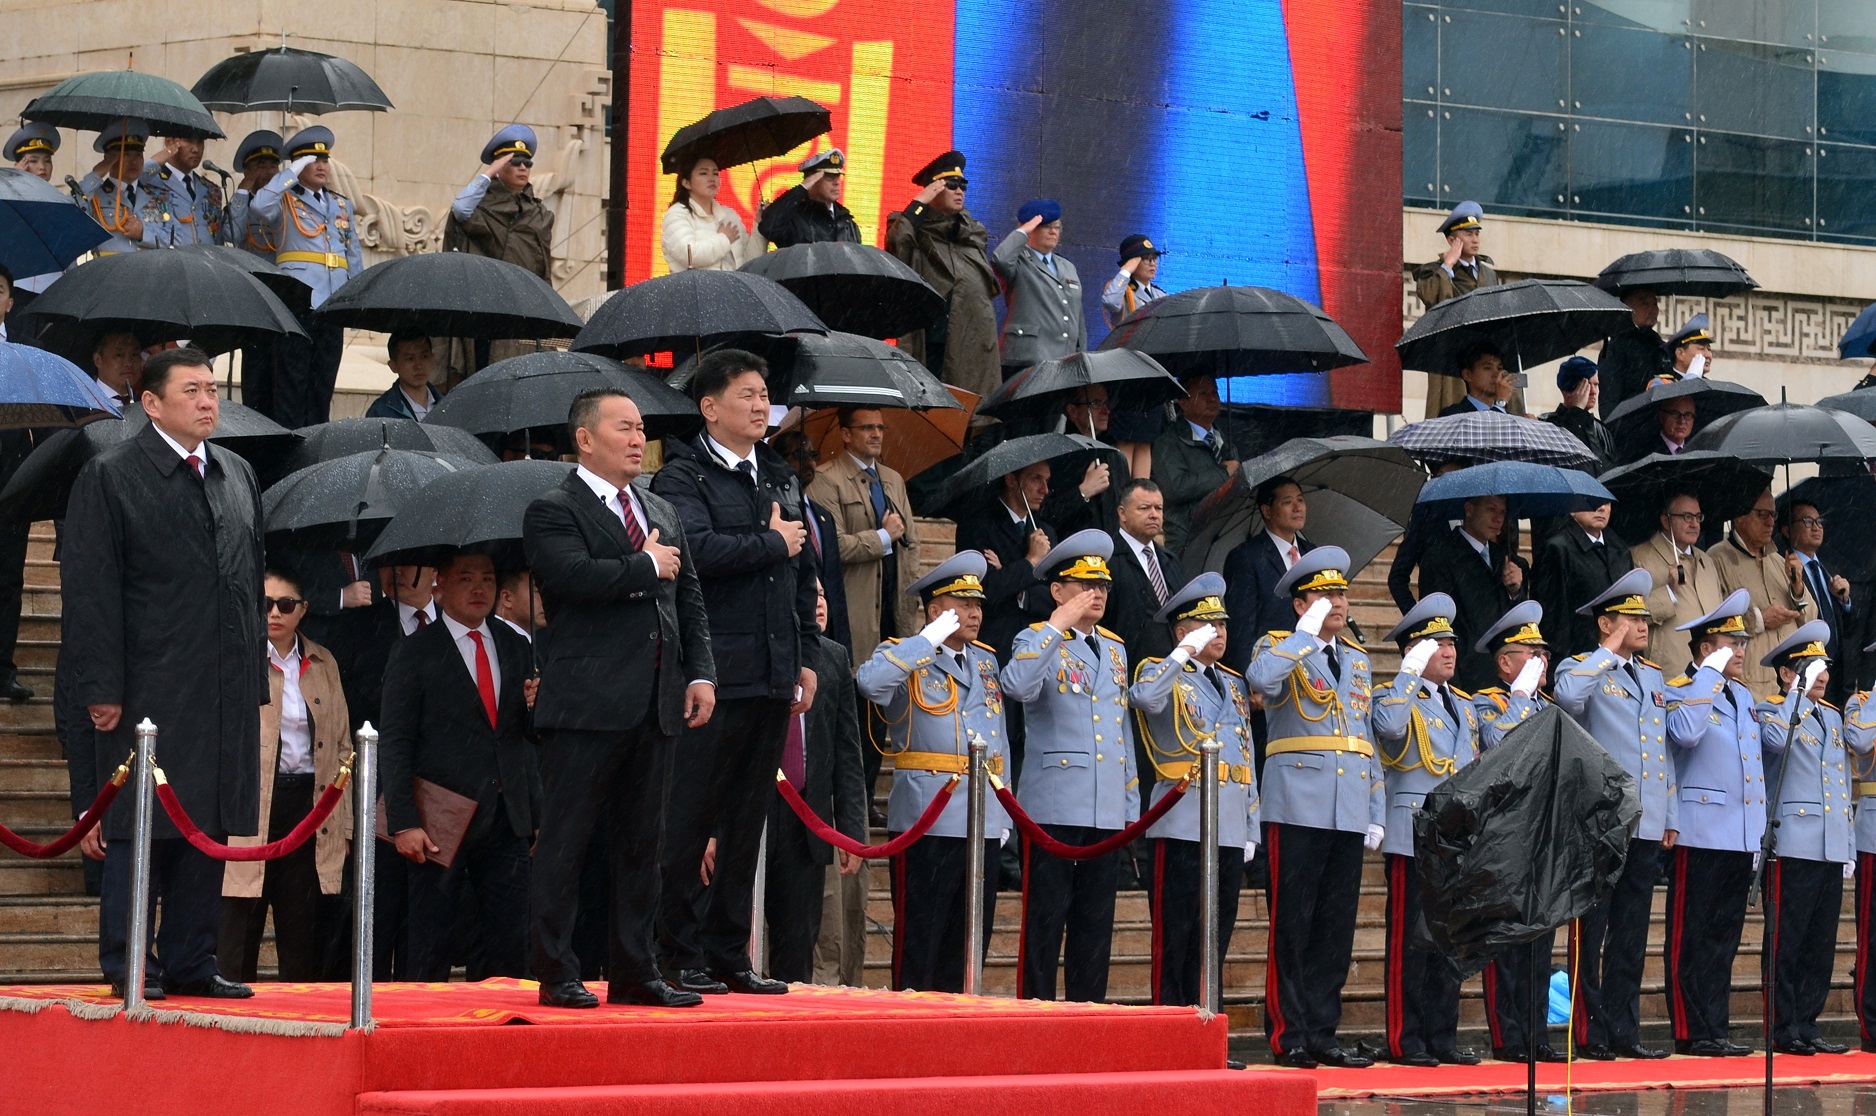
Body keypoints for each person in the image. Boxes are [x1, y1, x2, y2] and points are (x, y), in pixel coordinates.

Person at [62, 348, 266, 1001]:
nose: (208, 401)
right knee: (140, 825)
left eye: (212, 389)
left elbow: (246, 582)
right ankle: (129, 959)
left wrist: (250, 683)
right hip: (147, 686)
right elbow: (91, 591)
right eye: (192, 391)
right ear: (151, 403)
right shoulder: (112, 476)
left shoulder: (237, 473)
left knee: (206, 825)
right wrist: (100, 689)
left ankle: (191, 956)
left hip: (223, 686)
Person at [524, 388, 715, 1007]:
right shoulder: (554, 508)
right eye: (624, 428)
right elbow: (571, 579)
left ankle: (637, 969)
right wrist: (642, 566)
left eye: (641, 428)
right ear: (585, 438)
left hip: (656, 703)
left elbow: (688, 599)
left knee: (643, 844)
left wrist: (700, 673)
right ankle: (556, 968)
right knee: (567, 842)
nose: (638, 439)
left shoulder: (659, 506)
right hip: (585, 705)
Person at [653, 350, 818, 997]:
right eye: (747, 394)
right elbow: (693, 552)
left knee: (747, 821)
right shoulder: (682, 476)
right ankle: (677, 951)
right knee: (690, 819)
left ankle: (729, 952)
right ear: (709, 406)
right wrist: (770, 543)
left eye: (765, 394)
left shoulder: (778, 473)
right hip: (714, 674)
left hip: (774, 673)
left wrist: (804, 654)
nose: (760, 405)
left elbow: (803, 571)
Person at [378, 551, 538, 983]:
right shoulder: (414, 651)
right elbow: (395, 742)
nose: (478, 588)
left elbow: (526, 738)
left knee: (509, 942)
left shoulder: (515, 644)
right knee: (429, 942)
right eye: (466, 578)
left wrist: (539, 709)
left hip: (506, 814)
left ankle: (502, 1035)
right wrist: (402, 821)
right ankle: (421, 1038)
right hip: (438, 818)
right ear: (439, 584)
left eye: (487, 578)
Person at [1248, 546, 1380, 1069]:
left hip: (1347, 805)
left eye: (1342, 593)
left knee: (1334, 928)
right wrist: (1304, 636)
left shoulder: (1357, 659)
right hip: (1297, 803)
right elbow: (1260, 682)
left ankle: (1324, 1030)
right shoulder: (1279, 645)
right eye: (1325, 595)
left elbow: (1365, 735)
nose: (1338, 602)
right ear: (1301, 603)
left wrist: (1376, 805)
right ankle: (1289, 1032)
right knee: (1293, 924)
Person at [855, 551, 1010, 992]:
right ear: (936, 611)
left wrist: (1003, 811)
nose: (975, 613)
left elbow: (996, 739)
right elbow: (870, 682)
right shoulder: (905, 655)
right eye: (962, 605)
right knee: (921, 939)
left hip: (982, 817)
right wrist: (927, 640)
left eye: (977, 604)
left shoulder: (986, 662)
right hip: (928, 817)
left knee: (968, 943)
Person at [999, 529, 1138, 1003]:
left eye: (1102, 586)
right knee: (1045, 920)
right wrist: (1057, 625)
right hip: (1054, 802)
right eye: (1084, 586)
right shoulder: (1037, 637)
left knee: (1094, 924)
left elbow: (1121, 731)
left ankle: (1088, 1014)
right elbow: (1016, 686)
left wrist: (1131, 803)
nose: (1095, 594)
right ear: (1058, 591)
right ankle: (1034, 1015)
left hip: (1104, 805)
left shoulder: (1116, 649)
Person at [1551, 568, 1673, 1060]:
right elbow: (1568, 699)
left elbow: (1661, 750)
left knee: (1632, 931)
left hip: (1644, 820)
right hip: (1600, 821)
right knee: (1590, 930)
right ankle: (1589, 1030)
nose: (1643, 625)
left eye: (1645, 617)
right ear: (1606, 623)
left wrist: (1670, 810)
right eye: (1631, 617)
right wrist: (1607, 651)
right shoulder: (1582, 666)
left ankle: (1625, 1028)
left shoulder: (1652, 676)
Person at [218, 568, 353, 983]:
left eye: (286, 604)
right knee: (240, 924)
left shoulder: (323, 660)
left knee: (302, 933)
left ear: (303, 609)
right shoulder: (236, 656)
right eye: (265, 604)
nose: (274, 613)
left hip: (310, 806)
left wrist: (344, 822)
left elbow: (344, 745)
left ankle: (301, 1027)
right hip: (253, 802)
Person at [1131, 573, 1256, 1008]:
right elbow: (1145, 699)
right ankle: (1171, 1024)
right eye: (1208, 625)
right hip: (1181, 819)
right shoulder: (1160, 670)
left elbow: (1246, 755)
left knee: (1215, 934)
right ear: (1184, 630)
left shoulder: (1235, 683)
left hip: (1228, 821)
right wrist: (1181, 652)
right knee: (1176, 932)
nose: (1220, 633)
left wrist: (1251, 825)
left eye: (1222, 624)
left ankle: (1206, 1024)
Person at [1372, 593, 1480, 1067]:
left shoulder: (1463, 703)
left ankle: (1442, 1036)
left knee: (1449, 942)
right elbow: (1391, 732)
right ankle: (1406, 1036)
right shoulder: (1392, 696)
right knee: (1410, 943)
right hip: (1412, 832)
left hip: (1454, 837)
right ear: (1415, 651)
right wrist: (1407, 674)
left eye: (1451, 641)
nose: (1450, 650)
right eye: (1437, 643)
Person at [1661, 589, 1762, 1057]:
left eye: (1742, 642)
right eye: (1730, 642)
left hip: (1739, 836)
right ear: (1705, 648)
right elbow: (1686, 733)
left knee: (1723, 939)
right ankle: (1690, 1028)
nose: (1741, 651)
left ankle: (1715, 1028)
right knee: (1691, 936)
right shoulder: (1683, 690)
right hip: (1699, 832)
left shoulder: (1742, 695)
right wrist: (1705, 677)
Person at [1469, 601, 1569, 1063]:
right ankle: (1508, 1035)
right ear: (1505, 662)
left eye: (1543, 654)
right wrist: (1522, 699)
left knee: (1539, 941)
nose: (1540, 662)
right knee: (1506, 941)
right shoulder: (1486, 702)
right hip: (1506, 835)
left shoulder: (1552, 707)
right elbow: (1496, 747)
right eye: (1530, 654)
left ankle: (1536, 1034)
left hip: (1545, 834)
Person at [1755, 621, 1853, 1056]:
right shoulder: (1772, 710)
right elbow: (1775, 744)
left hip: (1830, 844)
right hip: (1793, 843)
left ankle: (1808, 1023)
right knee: (1787, 940)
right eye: (1812, 666)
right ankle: (1782, 1025)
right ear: (1787, 674)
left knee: (1820, 942)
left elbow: (1841, 782)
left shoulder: (1832, 717)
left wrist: (1846, 843)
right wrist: (1795, 696)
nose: (1824, 675)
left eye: (1824, 666)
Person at [764, 581, 865, 984]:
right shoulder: (752, 651)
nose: (820, 603)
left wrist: (852, 833)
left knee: (797, 948)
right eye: (810, 595)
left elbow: (847, 756)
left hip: (807, 820)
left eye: (824, 595)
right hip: (751, 816)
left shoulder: (834, 658)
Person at [249, 126, 364, 428]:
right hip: (298, 300)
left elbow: (353, 255)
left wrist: (355, 299)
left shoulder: (341, 204)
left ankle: (315, 443)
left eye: (325, 159)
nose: (322, 165)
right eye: (313, 159)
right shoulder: (283, 199)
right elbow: (259, 206)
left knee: (323, 383)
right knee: (292, 383)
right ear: (299, 165)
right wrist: (290, 173)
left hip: (332, 304)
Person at [885, 151, 1001, 402]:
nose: (960, 191)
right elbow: (897, 242)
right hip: (937, 337)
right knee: (936, 404)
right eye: (951, 185)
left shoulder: (972, 233)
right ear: (934, 190)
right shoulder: (913, 228)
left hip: (974, 338)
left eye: (963, 185)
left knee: (973, 408)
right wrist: (921, 201)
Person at [807, 407, 917, 666]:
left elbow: (911, 543)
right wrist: (882, 537)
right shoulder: (825, 479)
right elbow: (833, 545)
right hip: (856, 605)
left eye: (880, 428)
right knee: (859, 684)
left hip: (894, 602)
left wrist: (909, 590)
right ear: (845, 434)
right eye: (867, 428)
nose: (876, 434)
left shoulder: (893, 479)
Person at [1417, 495, 1530, 693]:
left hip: (1507, 674)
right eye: (1491, 509)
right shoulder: (1440, 557)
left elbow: (1519, 621)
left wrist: (1516, 591)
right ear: (1469, 509)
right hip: (1466, 674)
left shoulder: (1506, 559)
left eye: (1502, 512)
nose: (1498, 519)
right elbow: (1437, 625)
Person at [1712, 490, 1811, 693]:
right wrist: (1760, 620)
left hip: (1791, 682)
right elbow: (1714, 622)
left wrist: (1797, 588)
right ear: (1740, 517)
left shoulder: (1780, 561)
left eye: (1772, 515)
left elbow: (1812, 618)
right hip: (1751, 684)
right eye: (1761, 514)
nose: (1770, 522)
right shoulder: (1715, 559)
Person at [955, 461, 1057, 659]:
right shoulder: (978, 525)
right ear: (1011, 479)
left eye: (1047, 481)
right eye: (1036, 478)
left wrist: (1013, 581)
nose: (1044, 489)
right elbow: (985, 589)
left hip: (1038, 646)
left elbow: (1056, 597)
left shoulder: (1047, 533)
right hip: (994, 646)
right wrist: (1030, 561)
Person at [1414, 202, 1506, 418]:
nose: (1475, 240)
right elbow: (1432, 298)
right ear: (1451, 239)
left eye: (1477, 234)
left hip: (1486, 352)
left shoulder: (1489, 274)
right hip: (1452, 356)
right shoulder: (1433, 271)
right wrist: (1447, 266)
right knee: (1452, 414)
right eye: (1468, 234)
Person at [1222, 476, 1313, 675]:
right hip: (1269, 668)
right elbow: (1241, 627)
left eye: (1300, 500)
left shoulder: (1313, 554)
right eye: (1287, 502)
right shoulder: (1246, 557)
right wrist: (1250, 680)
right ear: (1267, 511)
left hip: (1312, 671)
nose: (1297, 508)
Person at [771, 428, 850, 653]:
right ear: (780, 461)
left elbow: (835, 584)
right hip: (796, 629)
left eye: (813, 456)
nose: (809, 463)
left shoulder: (823, 515)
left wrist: (843, 644)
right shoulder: (775, 511)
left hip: (828, 631)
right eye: (799, 455)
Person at [991, 198, 1086, 381]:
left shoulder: (1067, 266)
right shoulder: (1019, 260)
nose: (1052, 231)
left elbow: (1077, 316)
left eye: (1056, 227)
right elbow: (1000, 259)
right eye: (1045, 226)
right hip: (1026, 359)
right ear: (1030, 228)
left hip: (1063, 361)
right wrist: (1022, 232)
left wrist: (1079, 356)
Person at [447, 125, 554, 281]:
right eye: (515, 161)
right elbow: (460, 208)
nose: (523, 167)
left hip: (523, 293)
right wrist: (489, 173)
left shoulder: (540, 214)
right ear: (499, 165)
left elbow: (544, 267)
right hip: (485, 289)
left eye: (527, 162)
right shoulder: (482, 205)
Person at [1633, 493, 1725, 667]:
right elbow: (1630, 615)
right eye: (1687, 517)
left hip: (1711, 670)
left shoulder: (1707, 561)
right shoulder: (1640, 558)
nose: (1694, 524)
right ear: (1666, 521)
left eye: (1698, 517)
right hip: (1669, 671)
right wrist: (1668, 592)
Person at [1153, 374, 1239, 555]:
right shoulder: (1169, 442)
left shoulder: (1225, 441)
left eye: (1215, 392)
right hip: (1186, 541)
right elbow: (1175, 487)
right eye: (1203, 393)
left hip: (1222, 536)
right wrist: (1223, 473)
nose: (1212, 398)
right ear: (1183, 402)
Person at [1533, 502, 1632, 659]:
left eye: (1606, 502)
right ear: (1572, 510)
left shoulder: (1620, 549)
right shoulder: (1558, 548)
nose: (1601, 508)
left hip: (1618, 656)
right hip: (1579, 656)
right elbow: (1554, 618)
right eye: (1592, 501)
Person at [1787, 499, 1854, 704]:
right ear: (1787, 530)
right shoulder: (1786, 568)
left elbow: (1850, 628)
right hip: (1807, 668)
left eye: (1819, 521)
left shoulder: (1829, 568)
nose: (1816, 527)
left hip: (1837, 670)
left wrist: (1845, 600)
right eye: (1807, 521)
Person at [1041, 386, 1128, 535]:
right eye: (1095, 404)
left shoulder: (1116, 458)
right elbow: (1045, 515)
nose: (1105, 411)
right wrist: (1083, 492)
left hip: (1113, 552)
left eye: (1106, 403)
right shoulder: (1056, 458)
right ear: (1072, 411)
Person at [660, 154, 760, 273]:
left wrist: (759, 225)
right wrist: (724, 239)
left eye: (715, 173)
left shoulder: (729, 215)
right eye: (703, 173)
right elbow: (689, 256)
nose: (712, 178)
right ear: (686, 183)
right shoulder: (677, 214)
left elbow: (750, 264)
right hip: (695, 290)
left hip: (731, 290)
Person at [76, 119, 163, 256]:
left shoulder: (156, 197)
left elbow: (176, 240)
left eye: (138, 155)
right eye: (126, 155)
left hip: (148, 273)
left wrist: (143, 234)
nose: (134, 161)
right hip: (109, 273)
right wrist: (97, 173)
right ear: (110, 159)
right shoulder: (95, 196)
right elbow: (74, 210)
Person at [1846, 670, 1876, 1052]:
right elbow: (1860, 740)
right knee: (1872, 937)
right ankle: (1871, 1025)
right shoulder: (1861, 705)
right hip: (1874, 836)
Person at [757, 148, 860, 247]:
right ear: (812, 181)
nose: (837, 182)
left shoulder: (847, 223)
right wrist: (802, 188)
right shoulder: (795, 218)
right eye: (829, 177)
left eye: (838, 177)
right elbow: (768, 227)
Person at [6, 124, 62, 300]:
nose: (42, 167)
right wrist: (13, 183)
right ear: (20, 164)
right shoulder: (7, 197)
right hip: (18, 287)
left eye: (47, 160)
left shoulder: (60, 201)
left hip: (53, 288)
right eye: (33, 160)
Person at [140, 133, 226, 247]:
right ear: (169, 141)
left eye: (200, 141)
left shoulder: (211, 189)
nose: (196, 149)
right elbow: (129, 181)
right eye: (188, 140)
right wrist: (155, 162)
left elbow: (218, 239)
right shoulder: (150, 182)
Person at [1597, 288, 1670, 419]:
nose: (1652, 309)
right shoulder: (1615, 348)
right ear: (1627, 308)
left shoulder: (1661, 346)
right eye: (1645, 303)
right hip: (1632, 425)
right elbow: (1609, 403)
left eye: (1655, 304)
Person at [1543, 357, 1615, 474]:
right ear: (1567, 390)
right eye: (1586, 385)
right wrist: (1577, 412)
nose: (1593, 391)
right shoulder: (1549, 425)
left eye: (1596, 385)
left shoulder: (1601, 430)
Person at [226, 130, 284, 260]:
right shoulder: (240, 205)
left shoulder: (287, 203)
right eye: (262, 167)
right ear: (247, 171)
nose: (269, 172)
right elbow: (232, 235)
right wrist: (241, 192)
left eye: (273, 167)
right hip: (252, 273)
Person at [363, 332, 441, 421]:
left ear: (432, 359)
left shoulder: (448, 404)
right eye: (410, 358)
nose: (419, 366)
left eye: (424, 356)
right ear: (393, 366)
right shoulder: (381, 412)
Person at [1101, 234, 1166, 329]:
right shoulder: (1121, 291)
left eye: (1154, 258)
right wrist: (1126, 271)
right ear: (1132, 262)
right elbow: (1111, 302)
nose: (1153, 264)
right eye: (1146, 259)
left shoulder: (1160, 294)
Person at [1436, 341, 1512, 417]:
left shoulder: (1509, 416)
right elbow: (1485, 426)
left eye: (1499, 368)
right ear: (1467, 375)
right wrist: (1501, 402)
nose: (1497, 374)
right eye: (1488, 368)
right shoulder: (1453, 413)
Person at [1616, 394, 1696, 463]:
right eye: (1675, 414)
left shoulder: (1697, 448)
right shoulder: (1643, 453)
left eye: (1688, 415)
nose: (1682, 421)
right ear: (1661, 416)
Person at [90, 330, 143, 408]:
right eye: (119, 355)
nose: (129, 362)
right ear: (98, 360)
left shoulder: (148, 405)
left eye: (135, 354)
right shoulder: (80, 405)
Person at [1663, 314, 1715, 382]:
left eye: (1709, 349)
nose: (1708, 355)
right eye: (1701, 348)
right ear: (1680, 353)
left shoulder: (1709, 383)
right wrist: (1692, 377)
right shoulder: (1662, 382)